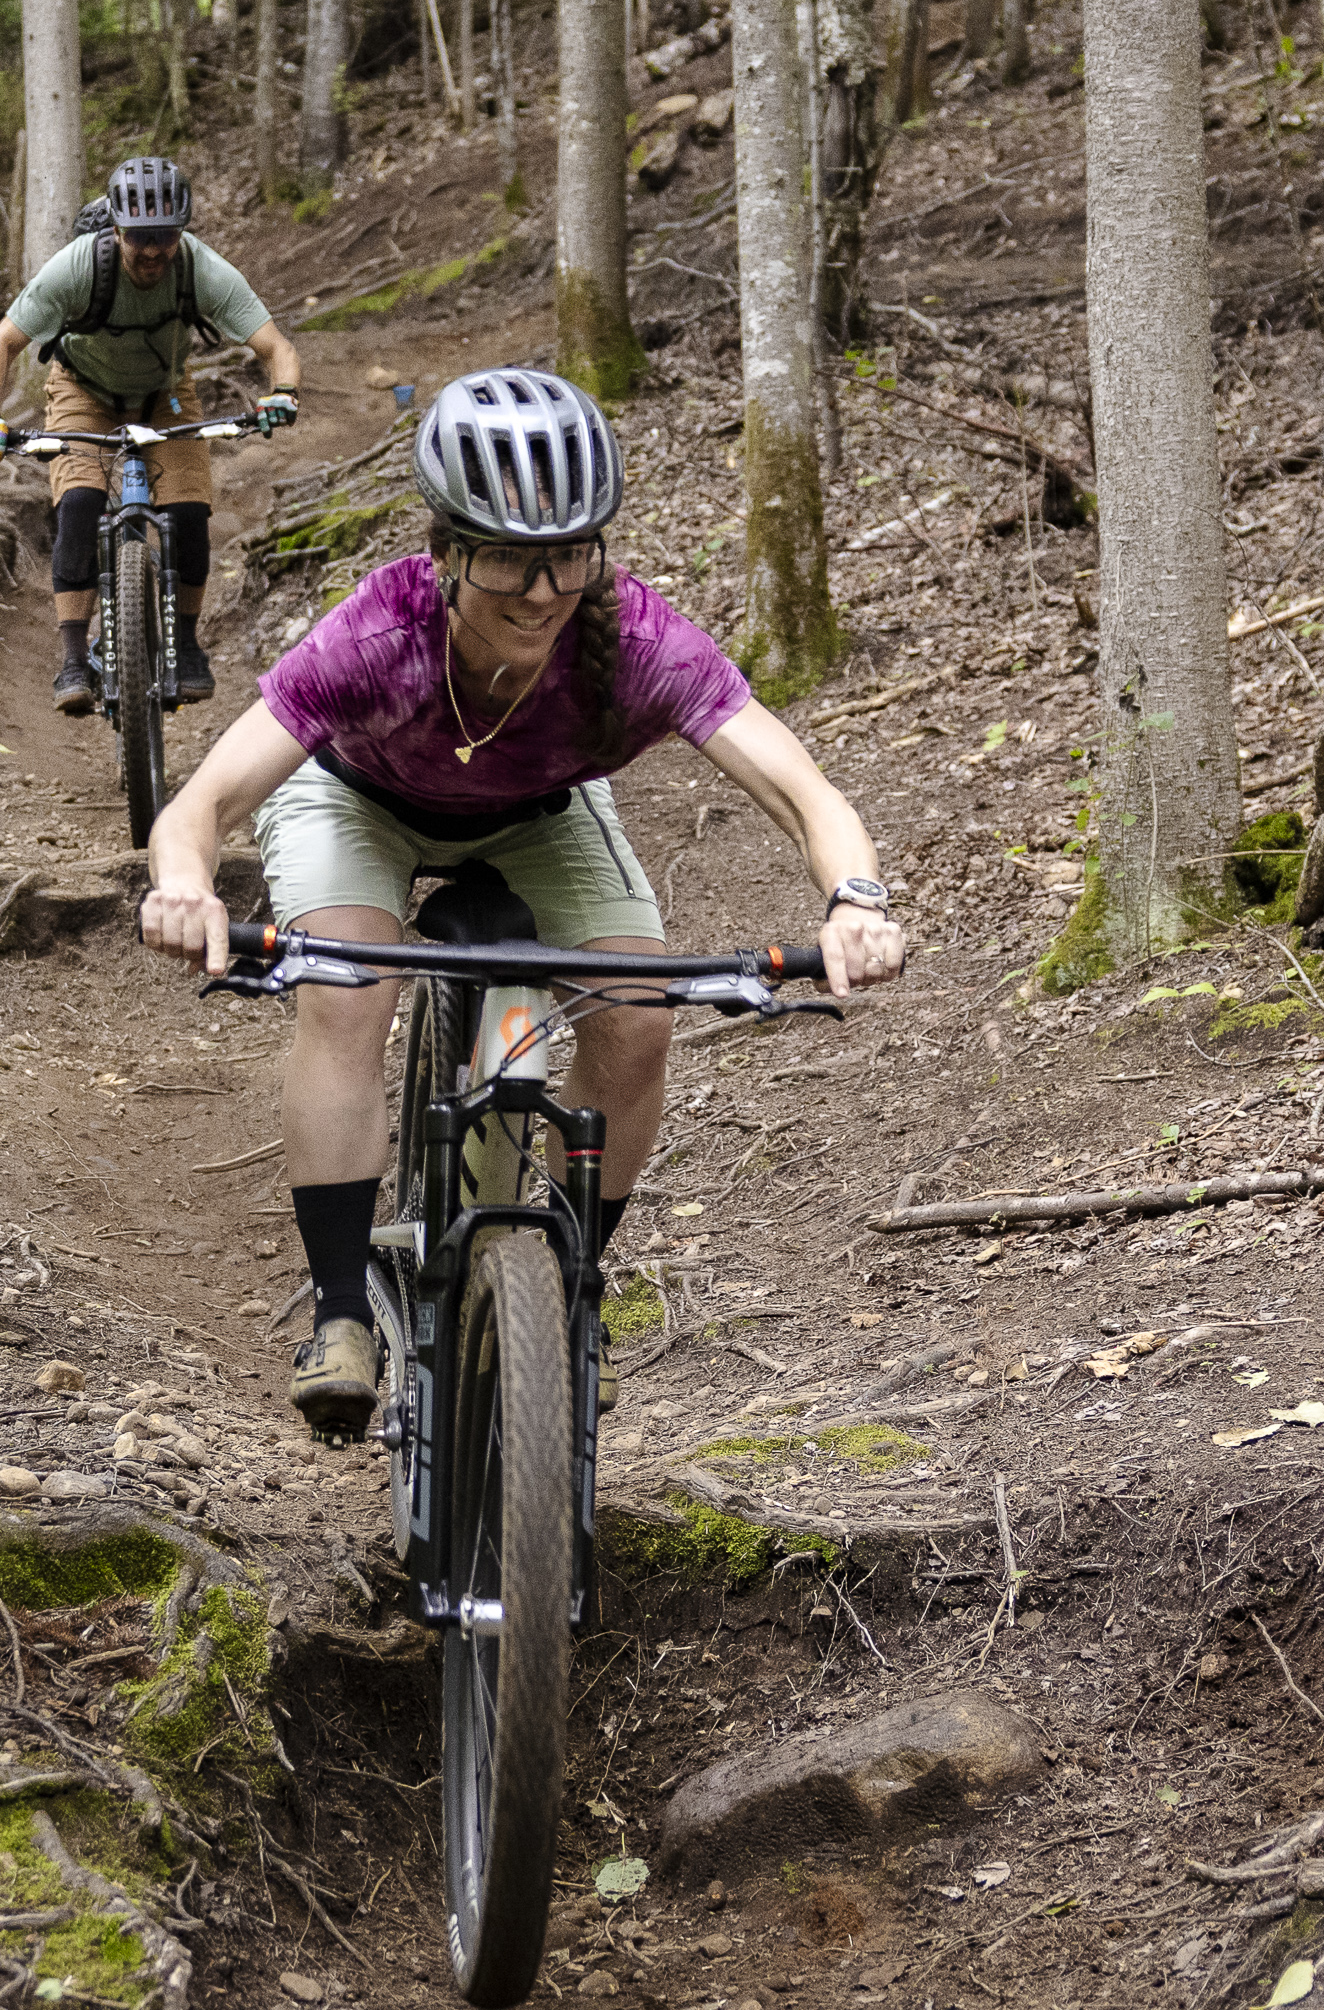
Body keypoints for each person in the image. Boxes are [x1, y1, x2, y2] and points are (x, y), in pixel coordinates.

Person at [134, 367, 908, 1439]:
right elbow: (203, 800)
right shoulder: (376, 632)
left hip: (542, 811)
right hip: (357, 801)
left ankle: (572, 1284)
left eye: (568, 554)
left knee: (636, 1016)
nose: (541, 591)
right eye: (505, 555)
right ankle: (342, 1311)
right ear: (446, 550)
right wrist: (182, 885)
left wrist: (854, 898)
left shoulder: (634, 642)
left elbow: (799, 789)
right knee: (347, 986)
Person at [0, 155, 311, 716]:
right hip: (83, 390)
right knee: (77, 503)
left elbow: (276, 347)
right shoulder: (77, 267)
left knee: (190, 511)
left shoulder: (201, 269)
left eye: (165, 237)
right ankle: (74, 659)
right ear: (117, 230)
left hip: (164, 393)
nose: (152, 250)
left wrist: (283, 394)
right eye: (139, 238)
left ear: (181, 231)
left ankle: (188, 645)